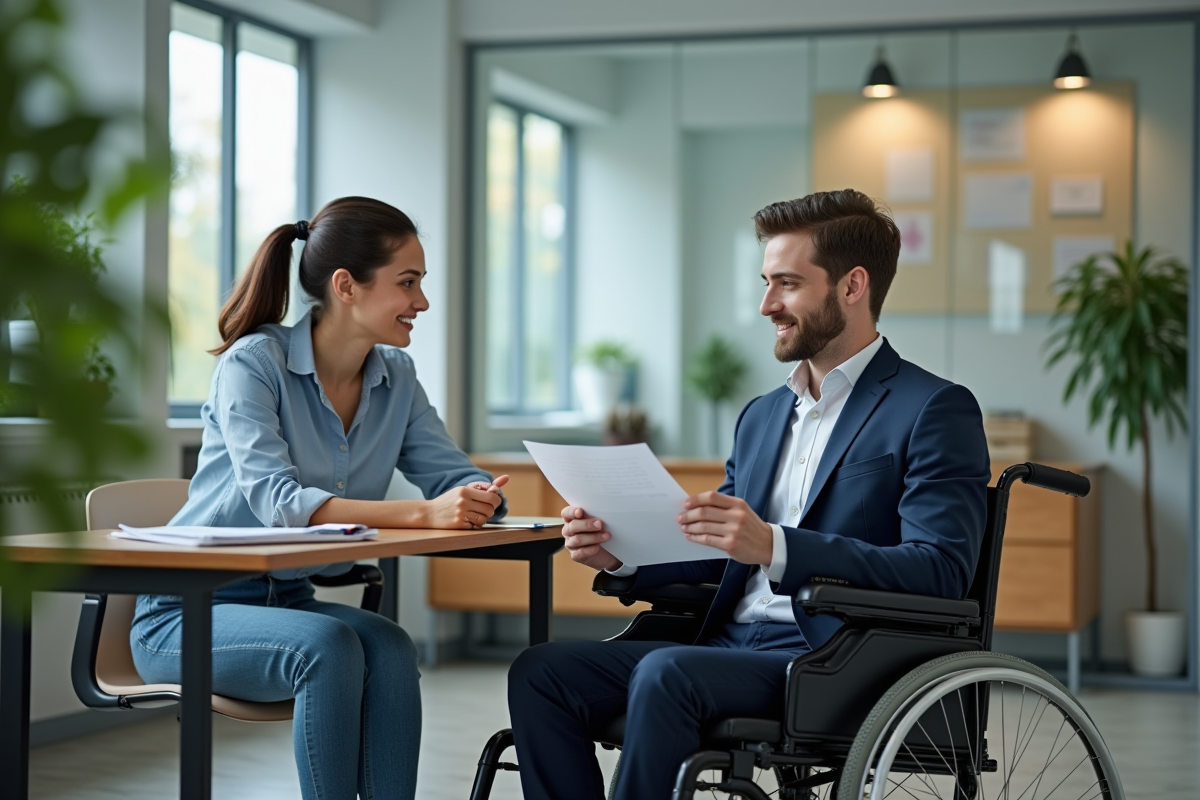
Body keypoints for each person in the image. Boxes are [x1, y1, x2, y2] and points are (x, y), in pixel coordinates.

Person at [507, 189, 992, 800]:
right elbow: (723, 550)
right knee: (543, 671)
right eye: (766, 282)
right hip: (725, 645)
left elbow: (942, 570)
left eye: (786, 283)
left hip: (835, 659)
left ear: (852, 287)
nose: (766, 304)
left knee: (667, 670)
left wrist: (776, 546)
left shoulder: (931, 408)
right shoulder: (762, 416)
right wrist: (622, 553)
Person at [131, 196, 508, 800]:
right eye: (407, 283)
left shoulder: (396, 378)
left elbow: (451, 477)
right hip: (186, 611)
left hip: (287, 600)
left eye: (421, 284)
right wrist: (421, 513)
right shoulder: (254, 364)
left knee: (388, 644)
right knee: (330, 647)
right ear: (346, 286)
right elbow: (277, 499)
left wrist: (485, 498)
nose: (422, 303)